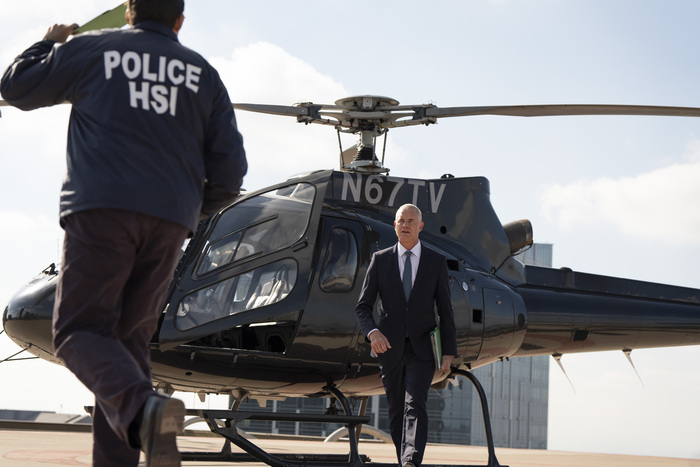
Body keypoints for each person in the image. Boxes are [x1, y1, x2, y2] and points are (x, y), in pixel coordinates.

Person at [0, 1, 247, 466]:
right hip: (170, 222)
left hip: (102, 210)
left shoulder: (95, 49)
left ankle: (143, 407)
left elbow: (17, 87)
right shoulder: (203, 74)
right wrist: (188, 211)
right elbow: (230, 172)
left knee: (77, 330)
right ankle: (133, 432)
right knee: (127, 345)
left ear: (129, 12)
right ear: (179, 21)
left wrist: (48, 42)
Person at [355, 203, 457, 467]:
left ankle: (411, 460)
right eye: (401, 220)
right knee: (397, 409)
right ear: (395, 225)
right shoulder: (380, 260)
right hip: (389, 348)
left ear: (420, 226)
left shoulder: (436, 261)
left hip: (423, 349)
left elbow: (445, 310)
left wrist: (448, 351)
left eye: (411, 221)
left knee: (415, 403)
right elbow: (363, 307)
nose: (406, 225)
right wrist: (373, 333)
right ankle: (404, 460)